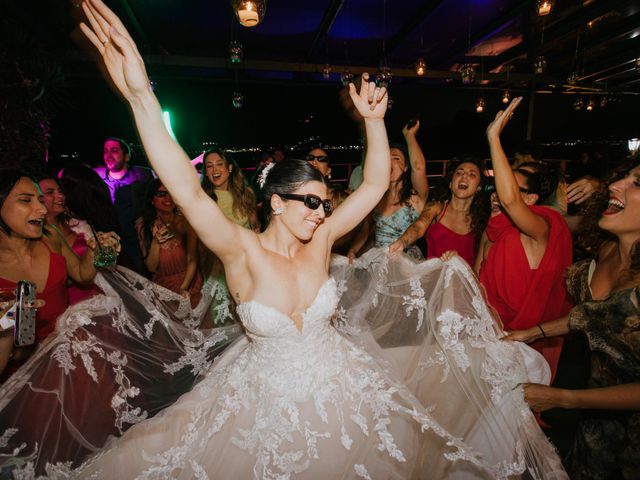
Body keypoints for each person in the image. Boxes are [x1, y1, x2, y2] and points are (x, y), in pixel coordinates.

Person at [64, 3, 568, 478]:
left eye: (324, 202)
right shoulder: (241, 250)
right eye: (309, 201)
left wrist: (374, 122)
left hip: (344, 391)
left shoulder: (323, 240)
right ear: (277, 202)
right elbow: (186, 189)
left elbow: (372, 185)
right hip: (264, 407)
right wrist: (140, 96)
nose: (321, 212)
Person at [504, 161, 640, 479]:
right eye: (620, 177)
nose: (616, 186)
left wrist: (562, 398)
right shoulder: (607, 251)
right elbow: (591, 316)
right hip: (595, 422)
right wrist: (530, 333)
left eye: (637, 183)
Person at [477, 97, 574, 380]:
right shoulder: (493, 229)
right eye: (498, 186)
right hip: (488, 331)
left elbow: (509, 200)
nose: (500, 192)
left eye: (512, 188)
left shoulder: (543, 227)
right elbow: (477, 275)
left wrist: (494, 137)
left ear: (531, 199)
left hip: (525, 342)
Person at [347, 120, 429, 260]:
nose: (389, 162)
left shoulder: (416, 197)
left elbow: (419, 167)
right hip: (379, 261)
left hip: (407, 262)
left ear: (406, 167)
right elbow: (365, 231)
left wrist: (409, 135)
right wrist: (353, 250)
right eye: (386, 158)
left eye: (396, 158)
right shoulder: (375, 198)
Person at [389, 157, 490, 266]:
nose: (464, 176)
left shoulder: (480, 223)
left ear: (479, 187)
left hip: (462, 282)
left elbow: (479, 267)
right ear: (451, 184)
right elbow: (418, 227)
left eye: (472, 174)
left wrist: (459, 263)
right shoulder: (436, 208)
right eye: (459, 173)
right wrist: (403, 241)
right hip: (433, 280)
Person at [137, 179, 202, 307]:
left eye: (170, 193)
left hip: (189, 282)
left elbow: (192, 260)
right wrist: (156, 242)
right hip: (163, 288)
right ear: (151, 199)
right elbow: (151, 268)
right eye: (161, 194)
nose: (168, 198)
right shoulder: (144, 226)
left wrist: (183, 288)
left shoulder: (186, 222)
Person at [95, 137, 153, 275]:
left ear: (126, 156)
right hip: (111, 244)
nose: (108, 155)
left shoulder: (142, 175)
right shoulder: (97, 177)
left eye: (114, 150)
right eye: (105, 151)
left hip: (138, 243)